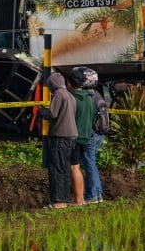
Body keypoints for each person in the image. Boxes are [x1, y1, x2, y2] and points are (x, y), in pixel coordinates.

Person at [38, 71, 76, 209]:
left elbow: (53, 114)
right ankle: (64, 200)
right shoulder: (70, 95)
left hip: (60, 136)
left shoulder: (59, 94)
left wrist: (42, 111)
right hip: (71, 137)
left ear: (53, 84)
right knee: (64, 168)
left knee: (56, 169)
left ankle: (58, 202)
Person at [74, 66, 105, 204]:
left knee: (89, 163)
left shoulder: (87, 96)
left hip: (91, 134)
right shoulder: (97, 94)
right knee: (92, 162)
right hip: (100, 133)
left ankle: (92, 195)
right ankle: (97, 194)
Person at [67, 69, 94, 206]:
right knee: (78, 167)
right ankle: (80, 198)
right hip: (86, 136)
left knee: (74, 168)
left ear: (69, 83)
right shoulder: (89, 98)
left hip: (75, 137)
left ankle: (78, 200)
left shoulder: (72, 98)